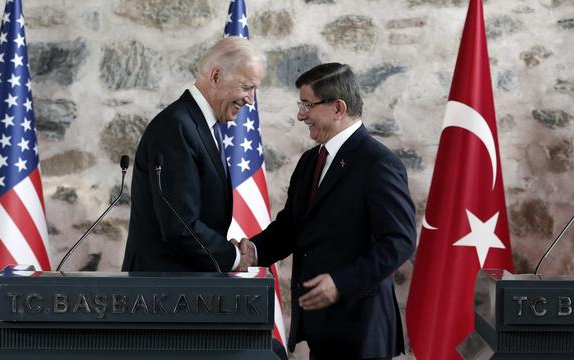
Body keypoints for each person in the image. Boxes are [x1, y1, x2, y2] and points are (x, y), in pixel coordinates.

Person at [240, 63, 416, 359]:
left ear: (338, 108)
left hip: (361, 328)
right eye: (301, 105)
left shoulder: (377, 163)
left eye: (308, 104)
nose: (300, 115)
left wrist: (341, 283)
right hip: (321, 328)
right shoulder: (311, 161)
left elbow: (399, 241)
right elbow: (291, 227)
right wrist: (254, 251)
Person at [122, 37, 264, 272]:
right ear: (216, 76)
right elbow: (179, 225)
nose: (250, 100)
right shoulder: (176, 126)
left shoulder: (203, 125)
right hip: (161, 291)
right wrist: (234, 257)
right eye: (246, 87)